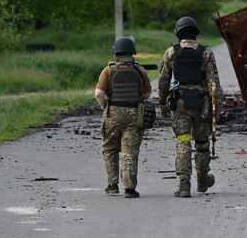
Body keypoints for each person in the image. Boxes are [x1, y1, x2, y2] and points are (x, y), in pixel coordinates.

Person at [158, 17, 222, 198]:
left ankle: (184, 184)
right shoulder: (206, 53)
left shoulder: (171, 52)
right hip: (202, 104)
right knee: (202, 144)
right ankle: (202, 180)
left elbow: (163, 81)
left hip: (180, 104)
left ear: (178, 33)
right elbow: (213, 83)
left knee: (183, 141)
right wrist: (216, 107)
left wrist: (162, 103)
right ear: (196, 33)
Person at [95, 36, 151, 198]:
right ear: (132, 52)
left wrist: (105, 106)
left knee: (110, 148)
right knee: (129, 151)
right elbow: (147, 93)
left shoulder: (108, 70)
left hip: (113, 114)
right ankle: (129, 187)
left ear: (116, 53)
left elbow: (99, 93)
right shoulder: (140, 70)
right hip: (134, 114)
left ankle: (112, 185)